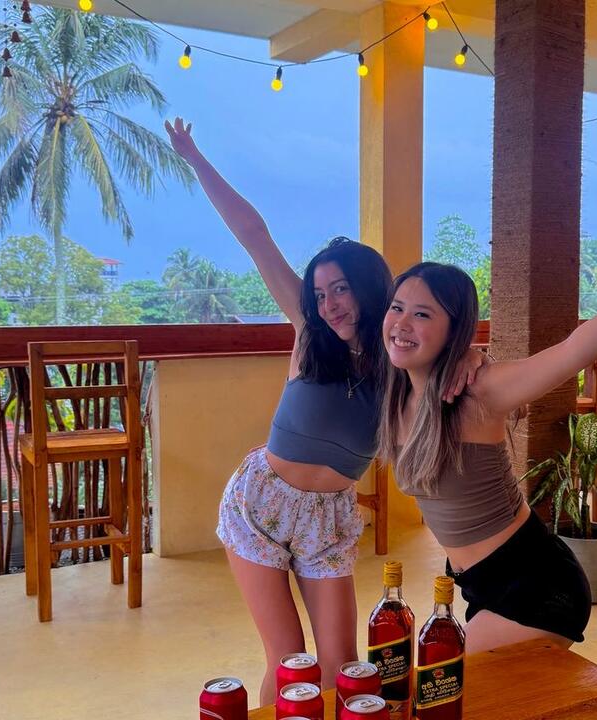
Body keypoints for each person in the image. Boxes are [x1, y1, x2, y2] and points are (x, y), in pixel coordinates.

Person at [164, 117, 484, 704]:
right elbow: (254, 234)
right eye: (319, 293)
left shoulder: (402, 361)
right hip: (259, 504)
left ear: (369, 288)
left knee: (342, 667)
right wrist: (195, 158)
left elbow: (452, 340)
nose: (329, 304)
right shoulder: (309, 335)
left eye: (340, 289)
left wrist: (471, 354)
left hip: (328, 518)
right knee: (290, 660)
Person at [378, 194, 597, 652]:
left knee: (437, 680)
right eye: (397, 308)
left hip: (537, 584)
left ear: (454, 328)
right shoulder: (394, 395)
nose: (402, 323)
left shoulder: (478, 393)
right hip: (480, 586)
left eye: (422, 314)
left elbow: (574, 349)